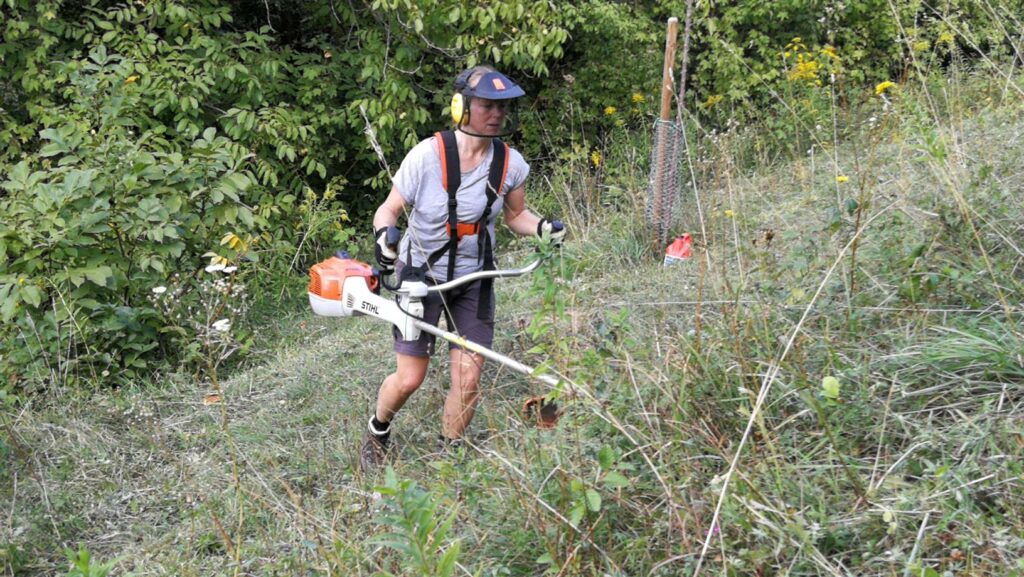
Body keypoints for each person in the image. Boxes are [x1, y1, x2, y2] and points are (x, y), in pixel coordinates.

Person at [360, 65, 565, 472]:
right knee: (410, 379)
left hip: (475, 279)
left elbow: (516, 216)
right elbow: (389, 209)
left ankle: (448, 456)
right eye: (488, 106)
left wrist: (542, 228)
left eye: (503, 108)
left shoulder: (510, 163)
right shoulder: (427, 156)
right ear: (462, 107)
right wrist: (386, 236)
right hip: (421, 279)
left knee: (468, 377)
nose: (497, 115)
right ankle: (378, 431)